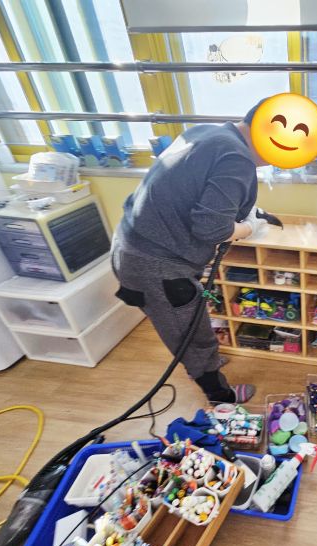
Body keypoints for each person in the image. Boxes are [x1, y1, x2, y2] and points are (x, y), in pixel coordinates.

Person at [111, 101, 271, 403]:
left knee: (185, 324)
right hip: (155, 264)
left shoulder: (207, 133)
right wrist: (248, 228)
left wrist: (243, 214)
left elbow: (192, 192)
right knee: (192, 333)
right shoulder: (237, 158)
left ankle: (199, 363)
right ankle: (219, 395)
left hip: (133, 245)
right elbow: (212, 228)